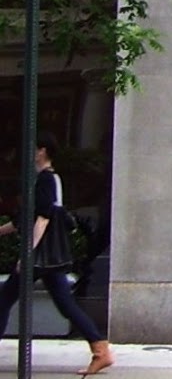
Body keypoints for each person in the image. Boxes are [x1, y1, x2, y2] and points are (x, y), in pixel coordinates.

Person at [0, 137, 112, 375]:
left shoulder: (46, 179)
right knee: (65, 304)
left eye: (34, 149)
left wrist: (29, 253)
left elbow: (44, 217)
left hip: (41, 257)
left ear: (42, 151)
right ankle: (101, 350)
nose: (30, 153)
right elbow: (25, 218)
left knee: (4, 299)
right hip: (51, 259)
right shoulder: (50, 179)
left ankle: (101, 350)